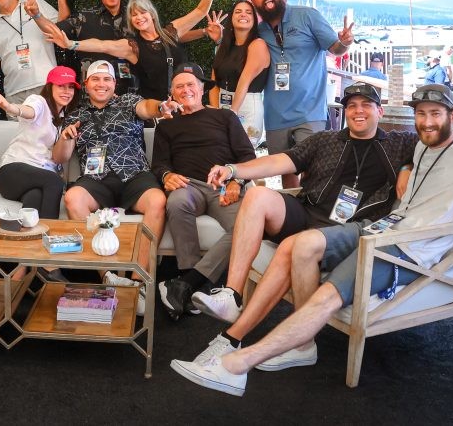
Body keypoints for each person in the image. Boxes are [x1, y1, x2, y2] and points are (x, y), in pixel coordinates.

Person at [169, 83, 453, 397]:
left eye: (436, 115)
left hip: (403, 248)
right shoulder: (420, 148)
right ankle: (288, 338)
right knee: (301, 244)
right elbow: (286, 161)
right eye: (421, 115)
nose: (427, 122)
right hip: (375, 229)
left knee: (326, 293)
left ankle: (238, 361)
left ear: (452, 116)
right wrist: (237, 170)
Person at [187, 82, 416, 323]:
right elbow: (278, 162)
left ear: (380, 111)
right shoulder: (325, 140)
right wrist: (234, 169)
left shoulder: (399, 143)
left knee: (298, 236)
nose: (358, 111)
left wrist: (407, 165)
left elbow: (446, 142)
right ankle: (232, 295)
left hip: (349, 229)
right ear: (345, 112)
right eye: (351, 106)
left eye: (366, 105)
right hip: (307, 213)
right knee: (257, 196)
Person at [56, 60, 178, 312]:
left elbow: (147, 108)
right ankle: (107, 276)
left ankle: (139, 280)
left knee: (157, 201)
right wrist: (66, 138)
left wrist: (161, 106)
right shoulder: (75, 114)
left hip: (134, 173)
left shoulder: (128, 102)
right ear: (87, 84)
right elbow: (60, 158)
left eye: (107, 79)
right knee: (73, 199)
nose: (102, 84)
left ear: (114, 83)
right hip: (96, 177)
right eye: (96, 79)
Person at [150, 63, 256, 320]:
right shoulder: (165, 126)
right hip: (189, 185)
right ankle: (188, 275)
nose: (186, 90)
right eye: (179, 87)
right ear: (172, 94)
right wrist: (167, 175)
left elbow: (247, 156)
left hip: (223, 185)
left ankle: (185, 285)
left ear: (200, 88)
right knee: (176, 202)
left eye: (190, 85)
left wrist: (237, 181)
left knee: (248, 225)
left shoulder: (225, 117)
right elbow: (159, 164)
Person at [45, 0, 220, 100]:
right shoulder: (133, 46)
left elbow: (199, 11)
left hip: (184, 99)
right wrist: (71, 44)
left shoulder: (170, 32)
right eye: (133, 15)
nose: (139, 18)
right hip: (153, 107)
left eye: (142, 13)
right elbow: (101, 45)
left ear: (152, 14)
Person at [249, 0, 354, 188]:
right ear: (254, 2)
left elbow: (335, 48)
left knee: (313, 169)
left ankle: (312, 215)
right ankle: (293, 218)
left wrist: (345, 43)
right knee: (286, 172)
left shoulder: (307, 15)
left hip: (310, 111)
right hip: (275, 114)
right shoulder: (258, 31)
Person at [0, 65, 80, 221]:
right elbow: (28, 111)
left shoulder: (66, 118)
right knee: (54, 182)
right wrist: (8, 106)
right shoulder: (39, 101)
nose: (66, 91)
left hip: (36, 181)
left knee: (35, 198)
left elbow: (61, 157)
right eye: (61, 86)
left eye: (70, 87)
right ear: (50, 87)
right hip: (12, 173)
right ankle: (52, 234)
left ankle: (28, 238)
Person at [54, 0, 134, 92]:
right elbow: (57, 32)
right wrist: (37, 15)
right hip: (91, 97)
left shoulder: (136, 18)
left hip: (128, 97)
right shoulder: (85, 16)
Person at [210, 0, 271, 150]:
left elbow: (245, 79)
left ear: (254, 20)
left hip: (247, 106)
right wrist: (216, 112)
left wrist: (232, 113)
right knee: (222, 154)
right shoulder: (225, 46)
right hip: (223, 105)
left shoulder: (258, 44)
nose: (243, 14)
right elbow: (214, 82)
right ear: (231, 17)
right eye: (238, 11)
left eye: (248, 12)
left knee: (243, 156)